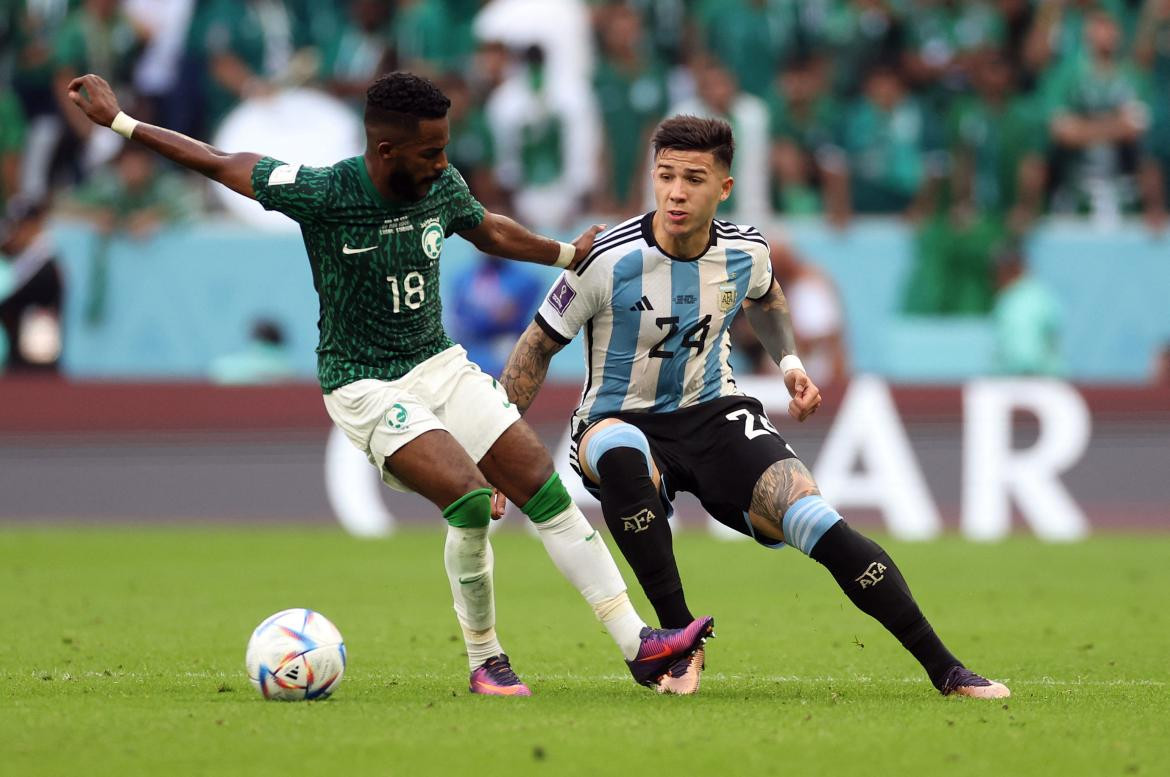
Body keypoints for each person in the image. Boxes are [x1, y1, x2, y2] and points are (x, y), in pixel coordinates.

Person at [65, 71, 711, 696]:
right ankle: (487, 659)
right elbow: (219, 160)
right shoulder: (326, 192)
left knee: (541, 485)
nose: (441, 164)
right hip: (364, 383)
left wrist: (566, 253)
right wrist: (122, 122)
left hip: (439, 363)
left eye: (444, 149)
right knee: (467, 498)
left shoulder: (440, 182)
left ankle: (638, 644)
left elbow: (486, 227)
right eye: (429, 153)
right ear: (384, 149)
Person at [498, 115, 1009, 699]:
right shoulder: (604, 260)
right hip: (618, 419)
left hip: (714, 414)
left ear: (725, 188)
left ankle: (947, 670)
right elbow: (534, 349)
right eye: (665, 176)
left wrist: (790, 366)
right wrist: (497, 452)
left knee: (814, 519)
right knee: (619, 450)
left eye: (694, 178)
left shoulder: (747, 251)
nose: (676, 192)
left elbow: (766, 300)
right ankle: (680, 644)